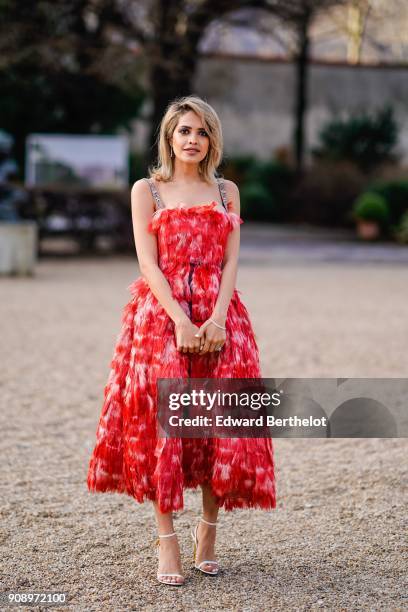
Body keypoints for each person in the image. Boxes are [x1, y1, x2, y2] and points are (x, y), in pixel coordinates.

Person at [87, 95, 276, 586]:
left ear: (212, 140)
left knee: (221, 425)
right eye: (184, 131)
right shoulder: (146, 190)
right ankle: (166, 538)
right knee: (163, 428)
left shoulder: (227, 190)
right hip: (160, 318)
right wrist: (180, 320)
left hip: (221, 313)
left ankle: (209, 531)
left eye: (202, 132)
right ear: (169, 137)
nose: (193, 140)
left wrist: (214, 319)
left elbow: (232, 260)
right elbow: (147, 264)